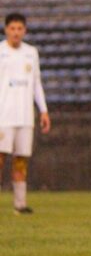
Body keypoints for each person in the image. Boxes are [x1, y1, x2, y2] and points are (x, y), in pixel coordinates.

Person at [0, 13, 51, 215]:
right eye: (12, 28)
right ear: (6, 30)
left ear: (25, 30)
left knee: (21, 159)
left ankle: (20, 204)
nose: (16, 32)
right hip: (3, 115)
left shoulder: (31, 52)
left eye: (19, 29)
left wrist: (43, 110)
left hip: (25, 116)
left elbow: (36, 83)